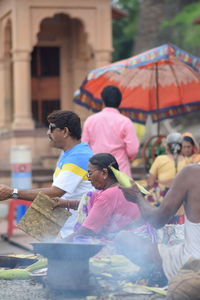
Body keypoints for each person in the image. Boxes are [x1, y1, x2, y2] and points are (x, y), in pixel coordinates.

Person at [0, 110, 94, 237]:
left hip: (77, 233)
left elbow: (56, 192)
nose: (47, 133)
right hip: (68, 229)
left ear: (65, 132)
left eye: (51, 128)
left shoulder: (78, 156)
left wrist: (13, 193)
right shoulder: (69, 153)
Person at [115, 163, 200, 284]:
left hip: (192, 266)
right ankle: (154, 272)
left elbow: (157, 220)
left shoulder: (191, 173)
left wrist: (137, 198)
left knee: (123, 238)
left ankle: (157, 273)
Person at [53, 153, 141, 242]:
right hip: (136, 239)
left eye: (90, 173)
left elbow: (87, 230)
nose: (88, 178)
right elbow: (97, 207)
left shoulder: (108, 195)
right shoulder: (120, 188)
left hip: (125, 243)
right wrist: (66, 203)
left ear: (104, 173)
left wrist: (60, 243)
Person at [82, 85, 139, 176]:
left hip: (97, 172)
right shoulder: (125, 122)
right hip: (120, 171)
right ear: (120, 101)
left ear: (103, 101)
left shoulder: (90, 120)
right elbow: (133, 149)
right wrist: (126, 157)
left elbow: (84, 147)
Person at [146, 133, 187, 224]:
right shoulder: (187, 161)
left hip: (162, 199)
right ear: (181, 147)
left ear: (167, 147)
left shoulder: (160, 159)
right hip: (181, 202)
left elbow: (150, 182)